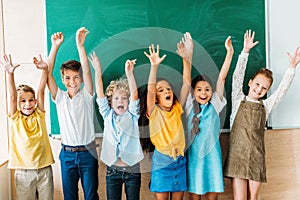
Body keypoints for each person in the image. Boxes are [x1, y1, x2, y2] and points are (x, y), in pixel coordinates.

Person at [223, 29, 300, 200]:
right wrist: (245, 52)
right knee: (239, 197)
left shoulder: (266, 106)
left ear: (266, 91)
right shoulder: (237, 100)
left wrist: (292, 68)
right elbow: (237, 76)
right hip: (237, 156)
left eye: (264, 88)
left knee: (254, 196)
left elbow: (282, 91)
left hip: (257, 157)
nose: (259, 89)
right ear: (250, 83)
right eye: (257, 84)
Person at [178, 33, 234, 200]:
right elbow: (186, 81)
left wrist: (229, 53)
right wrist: (188, 56)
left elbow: (222, 77)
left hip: (212, 158)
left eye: (207, 89)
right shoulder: (188, 106)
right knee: (195, 196)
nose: (203, 93)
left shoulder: (215, 105)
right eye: (199, 90)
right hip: (194, 159)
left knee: (212, 196)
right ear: (194, 93)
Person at [47, 28, 99, 199]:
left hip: (88, 152)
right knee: (69, 197)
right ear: (62, 80)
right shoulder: (59, 98)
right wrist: (55, 47)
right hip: (67, 154)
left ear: (81, 79)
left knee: (91, 196)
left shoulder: (87, 95)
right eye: (68, 78)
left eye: (76, 77)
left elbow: (86, 70)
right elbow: (47, 74)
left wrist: (80, 46)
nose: (72, 81)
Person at [140, 40, 192, 200]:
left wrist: (186, 58)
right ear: (156, 98)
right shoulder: (154, 111)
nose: (166, 91)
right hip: (162, 162)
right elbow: (150, 90)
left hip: (180, 159)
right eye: (161, 90)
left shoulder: (177, 108)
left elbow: (187, 83)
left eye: (168, 89)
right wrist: (154, 66)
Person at [89, 52, 144, 200]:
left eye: (124, 98)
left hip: (133, 169)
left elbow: (135, 96)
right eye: (117, 98)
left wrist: (130, 74)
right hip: (112, 170)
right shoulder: (108, 116)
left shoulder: (133, 115)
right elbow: (99, 94)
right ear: (111, 102)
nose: (121, 101)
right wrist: (97, 71)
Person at [2, 54, 55, 200]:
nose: (28, 104)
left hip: (44, 170)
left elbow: (41, 91)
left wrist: (45, 70)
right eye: (23, 101)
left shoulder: (39, 115)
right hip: (23, 173)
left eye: (31, 100)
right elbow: (12, 96)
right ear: (18, 104)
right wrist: (10, 73)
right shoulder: (15, 118)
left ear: (35, 101)